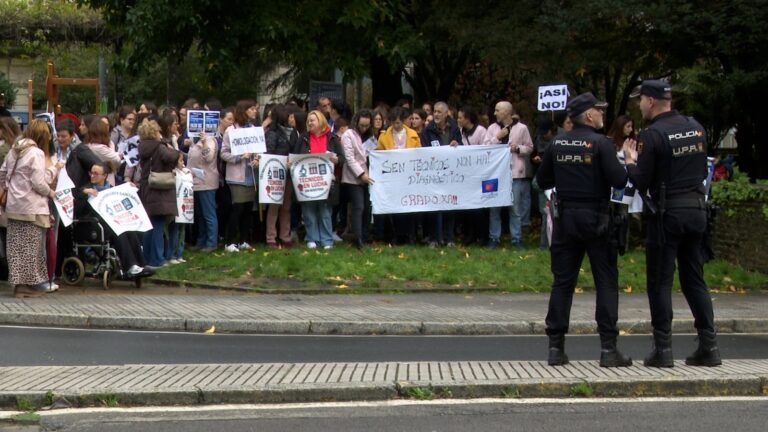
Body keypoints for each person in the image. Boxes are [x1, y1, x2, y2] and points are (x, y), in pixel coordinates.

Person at [623, 80, 721, 367]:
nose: (639, 105)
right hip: (697, 210)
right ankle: (709, 346)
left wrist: (630, 161)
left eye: (640, 100)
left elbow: (641, 180)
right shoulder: (696, 126)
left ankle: (663, 350)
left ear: (651, 101)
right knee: (695, 279)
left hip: (667, 215)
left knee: (660, 282)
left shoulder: (653, 135)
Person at [535, 92, 632, 368]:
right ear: (589, 115)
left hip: (566, 219)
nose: (603, 114)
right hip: (597, 219)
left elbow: (542, 180)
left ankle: (555, 348)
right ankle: (608, 350)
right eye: (599, 110)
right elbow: (619, 180)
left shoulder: (556, 143)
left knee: (562, 283)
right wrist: (625, 159)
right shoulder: (601, 144)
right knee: (606, 282)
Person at [0, 119, 58, 297]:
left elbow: (2, 174)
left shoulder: (14, 151)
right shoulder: (36, 153)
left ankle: (18, 285)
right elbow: (38, 182)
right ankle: (32, 284)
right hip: (32, 207)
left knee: (16, 247)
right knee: (32, 247)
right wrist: (52, 185)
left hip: (14, 206)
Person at [77, 162, 154, 278]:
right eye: (91, 173)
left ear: (105, 176)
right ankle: (130, 266)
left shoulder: (113, 189)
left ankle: (141, 264)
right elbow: (77, 204)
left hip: (114, 223)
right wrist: (84, 193)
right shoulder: (86, 189)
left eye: (96, 173)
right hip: (96, 227)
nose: (92, 176)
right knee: (119, 232)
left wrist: (130, 188)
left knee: (130, 231)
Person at [293, 110, 345, 249]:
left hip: (326, 182)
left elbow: (342, 158)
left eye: (312, 120)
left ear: (320, 121)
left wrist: (337, 159)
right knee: (308, 211)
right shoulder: (303, 138)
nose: (310, 123)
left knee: (325, 212)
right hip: (307, 182)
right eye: (308, 120)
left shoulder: (332, 138)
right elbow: (295, 156)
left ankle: (327, 240)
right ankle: (312, 238)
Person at [484, 101, 534, 248]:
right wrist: (497, 137)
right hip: (496, 174)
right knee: (494, 208)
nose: (495, 113)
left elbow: (530, 147)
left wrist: (518, 148)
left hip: (515, 174)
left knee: (515, 209)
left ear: (507, 112)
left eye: (497, 110)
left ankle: (516, 239)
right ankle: (494, 238)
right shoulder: (492, 128)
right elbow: (485, 148)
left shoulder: (521, 128)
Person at [137, 118, 179, 268]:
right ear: (155, 133)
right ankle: (158, 259)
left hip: (147, 188)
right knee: (159, 224)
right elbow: (171, 157)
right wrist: (173, 147)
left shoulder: (142, 147)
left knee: (150, 225)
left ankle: (147, 257)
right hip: (160, 189)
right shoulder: (159, 146)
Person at [220, 100, 259, 253]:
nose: (255, 111)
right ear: (244, 111)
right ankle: (230, 241)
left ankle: (243, 240)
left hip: (251, 176)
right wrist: (239, 157)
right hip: (237, 176)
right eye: (252, 109)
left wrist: (257, 159)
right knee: (238, 208)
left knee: (248, 209)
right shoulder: (231, 131)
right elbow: (223, 153)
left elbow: (258, 150)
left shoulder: (254, 129)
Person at [420, 102, 461, 247]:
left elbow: (461, 149)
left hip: (450, 175)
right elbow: (424, 150)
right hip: (433, 174)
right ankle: (434, 238)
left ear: (446, 114)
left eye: (439, 112)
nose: (436, 114)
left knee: (449, 206)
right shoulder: (427, 131)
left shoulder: (455, 129)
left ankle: (449, 238)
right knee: (434, 207)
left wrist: (457, 144)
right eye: (435, 111)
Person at [341, 109, 375, 249]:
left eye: (367, 125)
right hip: (353, 178)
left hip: (369, 177)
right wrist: (361, 174)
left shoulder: (370, 136)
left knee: (368, 207)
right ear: (356, 122)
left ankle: (365, 236)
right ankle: (357, 238)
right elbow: (349, 158)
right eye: (362, 125)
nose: (364, 128)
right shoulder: (348, 135)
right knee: (358, 206)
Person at [264, 105, 297, 248]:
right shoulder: (273, 133)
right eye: (290, 116)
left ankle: (285, 235)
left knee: (286, 207)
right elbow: (269, 153)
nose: (292, 119)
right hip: (276, 176)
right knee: (274, 207)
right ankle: (271, 237)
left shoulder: (294, 133)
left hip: (290, 175)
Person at [188, 124, 220, 252]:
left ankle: (212, 242)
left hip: (207, 182)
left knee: (208, 214)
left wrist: (204, 142)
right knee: (200, 214)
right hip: (196, 182)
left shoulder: (210, 140)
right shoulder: (194, 141)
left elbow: (209, 157)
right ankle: (201, 241)